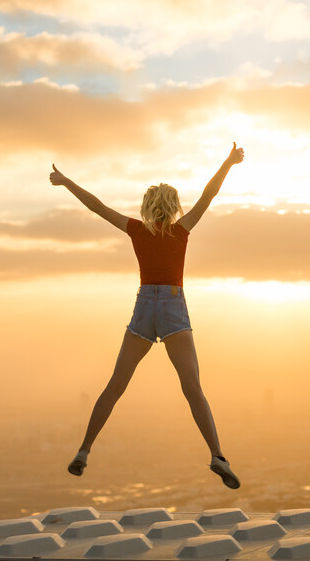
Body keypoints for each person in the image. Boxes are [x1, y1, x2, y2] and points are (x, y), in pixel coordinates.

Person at [49, 143, 245, 489]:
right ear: (172, 207)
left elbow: (97, 206)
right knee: (193, 389)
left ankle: (83, 451)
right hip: (172, 306)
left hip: (143, 308)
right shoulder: (182, 230)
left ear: (147, 207)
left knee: (115, 386)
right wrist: (228, 162)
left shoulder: (136, 230)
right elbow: (208, 194)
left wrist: (66, 181)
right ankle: (217, 455)